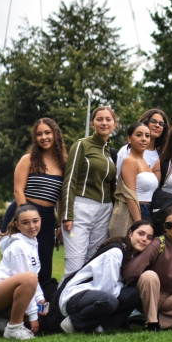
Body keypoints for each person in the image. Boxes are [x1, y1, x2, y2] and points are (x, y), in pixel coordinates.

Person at [55, 220, 153, 333]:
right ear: (130, 233)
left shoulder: (133, 256)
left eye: (149, 237)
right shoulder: (116, 252)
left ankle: (101, 328)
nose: (144, 239)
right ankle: (73, 323)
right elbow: (107, 289)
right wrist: (122, 288)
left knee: (133, 293)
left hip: (96, 296)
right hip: (75, 297)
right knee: (108, 300)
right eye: (141, 233)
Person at [60, 106, 118, 278]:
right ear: (92, 123)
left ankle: (82, 303)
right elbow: (69, 180)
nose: (104, 123)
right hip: (81, 208)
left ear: (114, 124)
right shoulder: (81, 145)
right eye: (99, 119)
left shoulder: (110, 152)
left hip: (104, 211)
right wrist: (67, 214)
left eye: (108, 119)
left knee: (92, 265)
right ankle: (59, 304)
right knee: (75, 266)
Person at [11, 118, 67, 288]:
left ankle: (40, 310)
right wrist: (25, 218)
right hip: (24, 211)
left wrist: (60, 226)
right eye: (39, 134)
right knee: (19, 264)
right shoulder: (28, 159)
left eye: (47, 132)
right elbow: (18, 190)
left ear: (55, 135)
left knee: (43, 267)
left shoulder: (64, 163)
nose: (44, 137)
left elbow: (61, 198)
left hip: (48, 218)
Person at [0, 204, 46, 340]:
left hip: (2, 293)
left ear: (41, 220)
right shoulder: (20, 246)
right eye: (25, 223)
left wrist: (41, 300)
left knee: (44, 315)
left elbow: (33, 277)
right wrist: (33, 316)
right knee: (29, 279)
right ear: (17, 225)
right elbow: (28, 280)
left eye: (35, 221)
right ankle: (14, 328)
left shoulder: (32, 242)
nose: (32, 226)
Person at [119, 122, 157, 221]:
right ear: (129, 138)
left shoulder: (145, 162)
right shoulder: (130, 161)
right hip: (136, 212)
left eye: (147, 136)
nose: (144, 139)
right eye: (139, 135)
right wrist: (138, 223)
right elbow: (130, 196)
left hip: (149, 210)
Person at [115, 108, 169, 174]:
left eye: (161, 124)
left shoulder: (162, 156)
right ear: (145, 122)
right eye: (153, 121)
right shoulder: (127, 150)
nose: (157, 125)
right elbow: (117, 178)